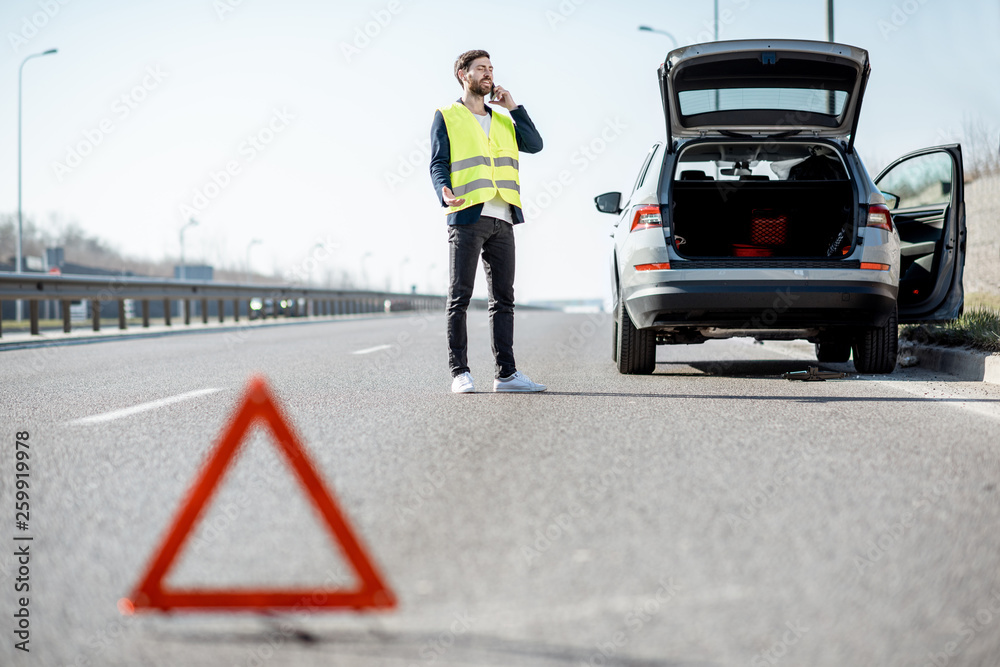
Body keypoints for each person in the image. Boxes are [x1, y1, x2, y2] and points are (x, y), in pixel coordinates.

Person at [430, 49, 547, 394]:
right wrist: (443, 190)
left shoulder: (503, 119)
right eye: (481, 68)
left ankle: (507, 375)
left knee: (504, 299)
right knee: (460, 297)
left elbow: (536, 145)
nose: (488, 74)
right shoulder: (447, 115)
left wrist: (514, 107)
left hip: (503, 218)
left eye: (491, 69)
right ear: (462, 75)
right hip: (467, 215)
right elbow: (438, 162)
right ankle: (460, 372)